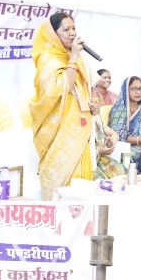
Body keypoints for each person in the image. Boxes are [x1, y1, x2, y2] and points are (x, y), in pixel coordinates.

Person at [30, 12, 95, 200]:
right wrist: (73, 57)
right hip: (59, 130)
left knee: (81, 185)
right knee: (62, 185)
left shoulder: (74, 57)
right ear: (53, 34)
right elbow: (59, 89)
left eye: (73, 28)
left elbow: (81, 89)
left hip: (79, 128)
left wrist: (92, 103)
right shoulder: (48, 58)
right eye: (66, 29)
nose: (72, 33)